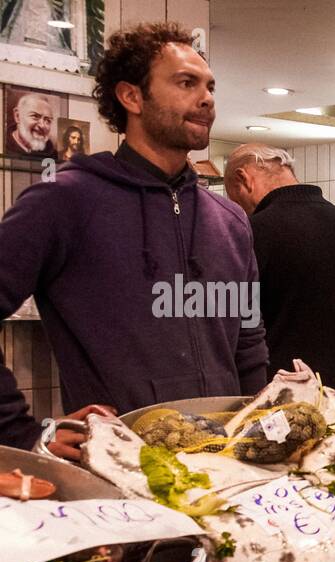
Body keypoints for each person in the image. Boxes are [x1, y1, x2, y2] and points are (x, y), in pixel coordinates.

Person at [0, 21, 267, 418]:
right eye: (185, 83)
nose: (207, 99)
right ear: (131, 96)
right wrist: (20, 431)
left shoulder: (230, 220)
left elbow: (249, 340)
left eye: (210, 86)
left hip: (225, 464)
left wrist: (260, 428)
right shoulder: (64, 200)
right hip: (120, 464)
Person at [223, 143, 335, 391]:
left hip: (288, 409)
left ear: (243, 179)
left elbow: (231, 335)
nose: (239, 211)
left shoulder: (250, 235)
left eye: (234, 199)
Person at [6, 91, 56, 159]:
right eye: (35, 116)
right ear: (17, 116)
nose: (42, 126)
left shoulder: (53, 155)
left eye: (47, 120)